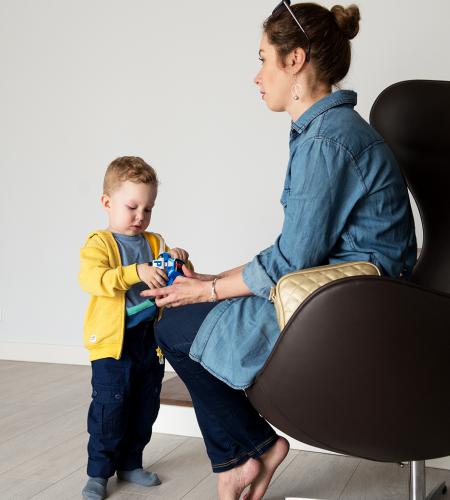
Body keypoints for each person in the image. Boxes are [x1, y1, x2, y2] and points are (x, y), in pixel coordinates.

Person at [142, 3, 417, 499]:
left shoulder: (327, 141)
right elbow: (294, 253)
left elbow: (291, 261)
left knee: (176, 327)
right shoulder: (328, 132)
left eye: (263, 59)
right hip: (337, 292)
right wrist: (208, 282)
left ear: (295, 61)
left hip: (349, 308)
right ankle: (249, 452)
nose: (256, 76)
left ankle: (251, 451)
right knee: (183, 314)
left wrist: (207, 291)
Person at [78, 156, 189, 500]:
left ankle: (131, 463)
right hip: (113, 343)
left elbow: (175, 278)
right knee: (109, 408)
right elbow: (93, 279)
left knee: (145, 404)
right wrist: (135, 272)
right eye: (132, 207)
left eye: (148, 208)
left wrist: (180, 260)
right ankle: (99, 472)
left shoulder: (155, 243)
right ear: (107, 203)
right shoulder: (99, 243)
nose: (140, 216)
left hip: (148, 341)